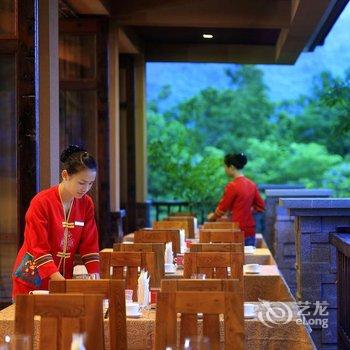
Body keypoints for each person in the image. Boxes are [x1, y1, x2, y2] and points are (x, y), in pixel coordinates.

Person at [12, 145, 100, 298]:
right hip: (32, 276)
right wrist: (60, 282)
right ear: (65, 175)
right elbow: (38, 247)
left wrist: (95, 275)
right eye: (81, 182)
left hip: (62, 277)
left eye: (90, 183)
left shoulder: (86, 204)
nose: (86, 188)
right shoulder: (41, 202)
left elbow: (90, 244)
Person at [207, 152, 265, 246]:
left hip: (236, 230)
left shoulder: (232, 186)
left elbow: (221, 210)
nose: (225, 169)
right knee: (248, 259)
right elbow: (261, 207)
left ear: (232, 167)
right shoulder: (252, 184)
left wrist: (211, 217)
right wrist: (248, 209)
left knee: (235, 260)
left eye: (226, 166)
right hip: (250, 229)